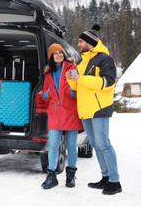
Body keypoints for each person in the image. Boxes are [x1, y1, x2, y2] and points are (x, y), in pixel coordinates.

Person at [66, 28, 121, 195]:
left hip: (99, 108)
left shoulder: (105, 59)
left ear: (89, 43)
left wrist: (81, 78)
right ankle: (105, 177)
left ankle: (115, 180)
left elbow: (108, 82)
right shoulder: (82, 62)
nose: (78, 44)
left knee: (104, 144)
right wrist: (71, 78)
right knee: (96, 145)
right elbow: (77, 86)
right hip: (85, 110)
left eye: (81, 42)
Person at [41, 44, 84, 189]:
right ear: (51, 57)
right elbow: (43, 93)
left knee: (71, 146)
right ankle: (51, 175)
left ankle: (70, 176)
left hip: (70, 111)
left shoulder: (71, 68)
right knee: (53, 145)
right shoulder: (48, 74)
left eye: (61, 52)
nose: (59, 55)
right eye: (55, 53)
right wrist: (49, 94)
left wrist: (71, 93)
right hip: (54, 112)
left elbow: (79, 89)